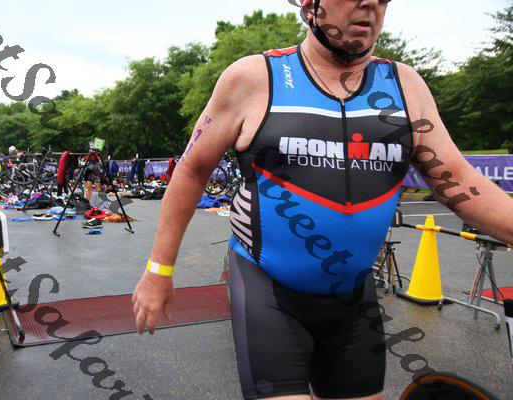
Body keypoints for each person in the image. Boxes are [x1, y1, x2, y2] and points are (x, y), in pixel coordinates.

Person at [132, 1, 513, 399]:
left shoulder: (405, 87)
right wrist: (159, 270)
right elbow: (192, 170)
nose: (370, 3)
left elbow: (457, 180)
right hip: (269, 290)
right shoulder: (254, 78)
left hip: (354, 299)